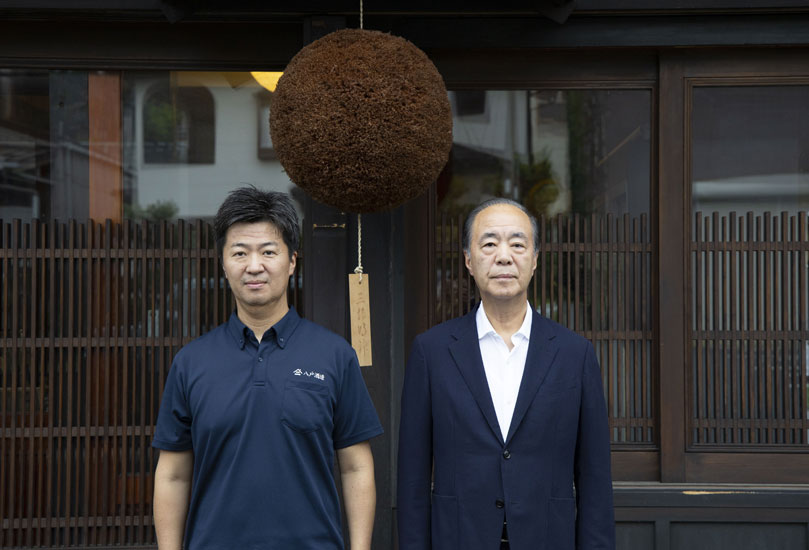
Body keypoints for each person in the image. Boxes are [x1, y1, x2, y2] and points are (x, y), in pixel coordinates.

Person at [152, 186, 383, 550]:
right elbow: (173, 475)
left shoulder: (334, 355)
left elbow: (356, 466)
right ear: (223, 263)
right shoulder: (191, 362)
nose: (254, 266)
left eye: (268, 251)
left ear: (292, 261)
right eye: (239, 253)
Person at [397, 198, 614, 550]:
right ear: (468, 260)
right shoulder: (432, 352)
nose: (503, 257)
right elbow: (412, 476)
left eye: (517, 244)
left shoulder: (575, 354)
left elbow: (595, 478)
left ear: (535, 259)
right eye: (489, 244)